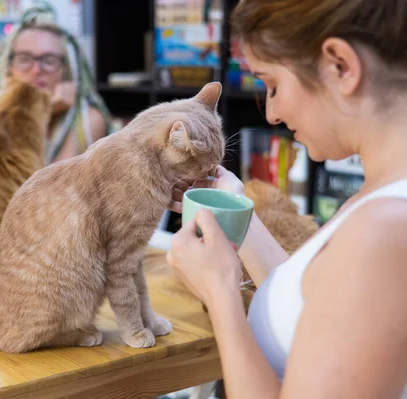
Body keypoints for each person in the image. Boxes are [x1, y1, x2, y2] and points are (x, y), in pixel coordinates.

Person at [167, 0, 407, 398]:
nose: (273, 112)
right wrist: (238, 212)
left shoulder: (381, 232)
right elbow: (315, 303)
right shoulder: (383, 198)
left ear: (339, 66)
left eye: (273, 85)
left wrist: (221, 291)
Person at [0, 2, 112, 165]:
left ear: (66, 70)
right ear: (9, 69)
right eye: (24, 59)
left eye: (49, 60)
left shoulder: (88, 122)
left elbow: (53, 187)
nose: (37, 69)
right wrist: (42, 111)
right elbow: (9, 185)